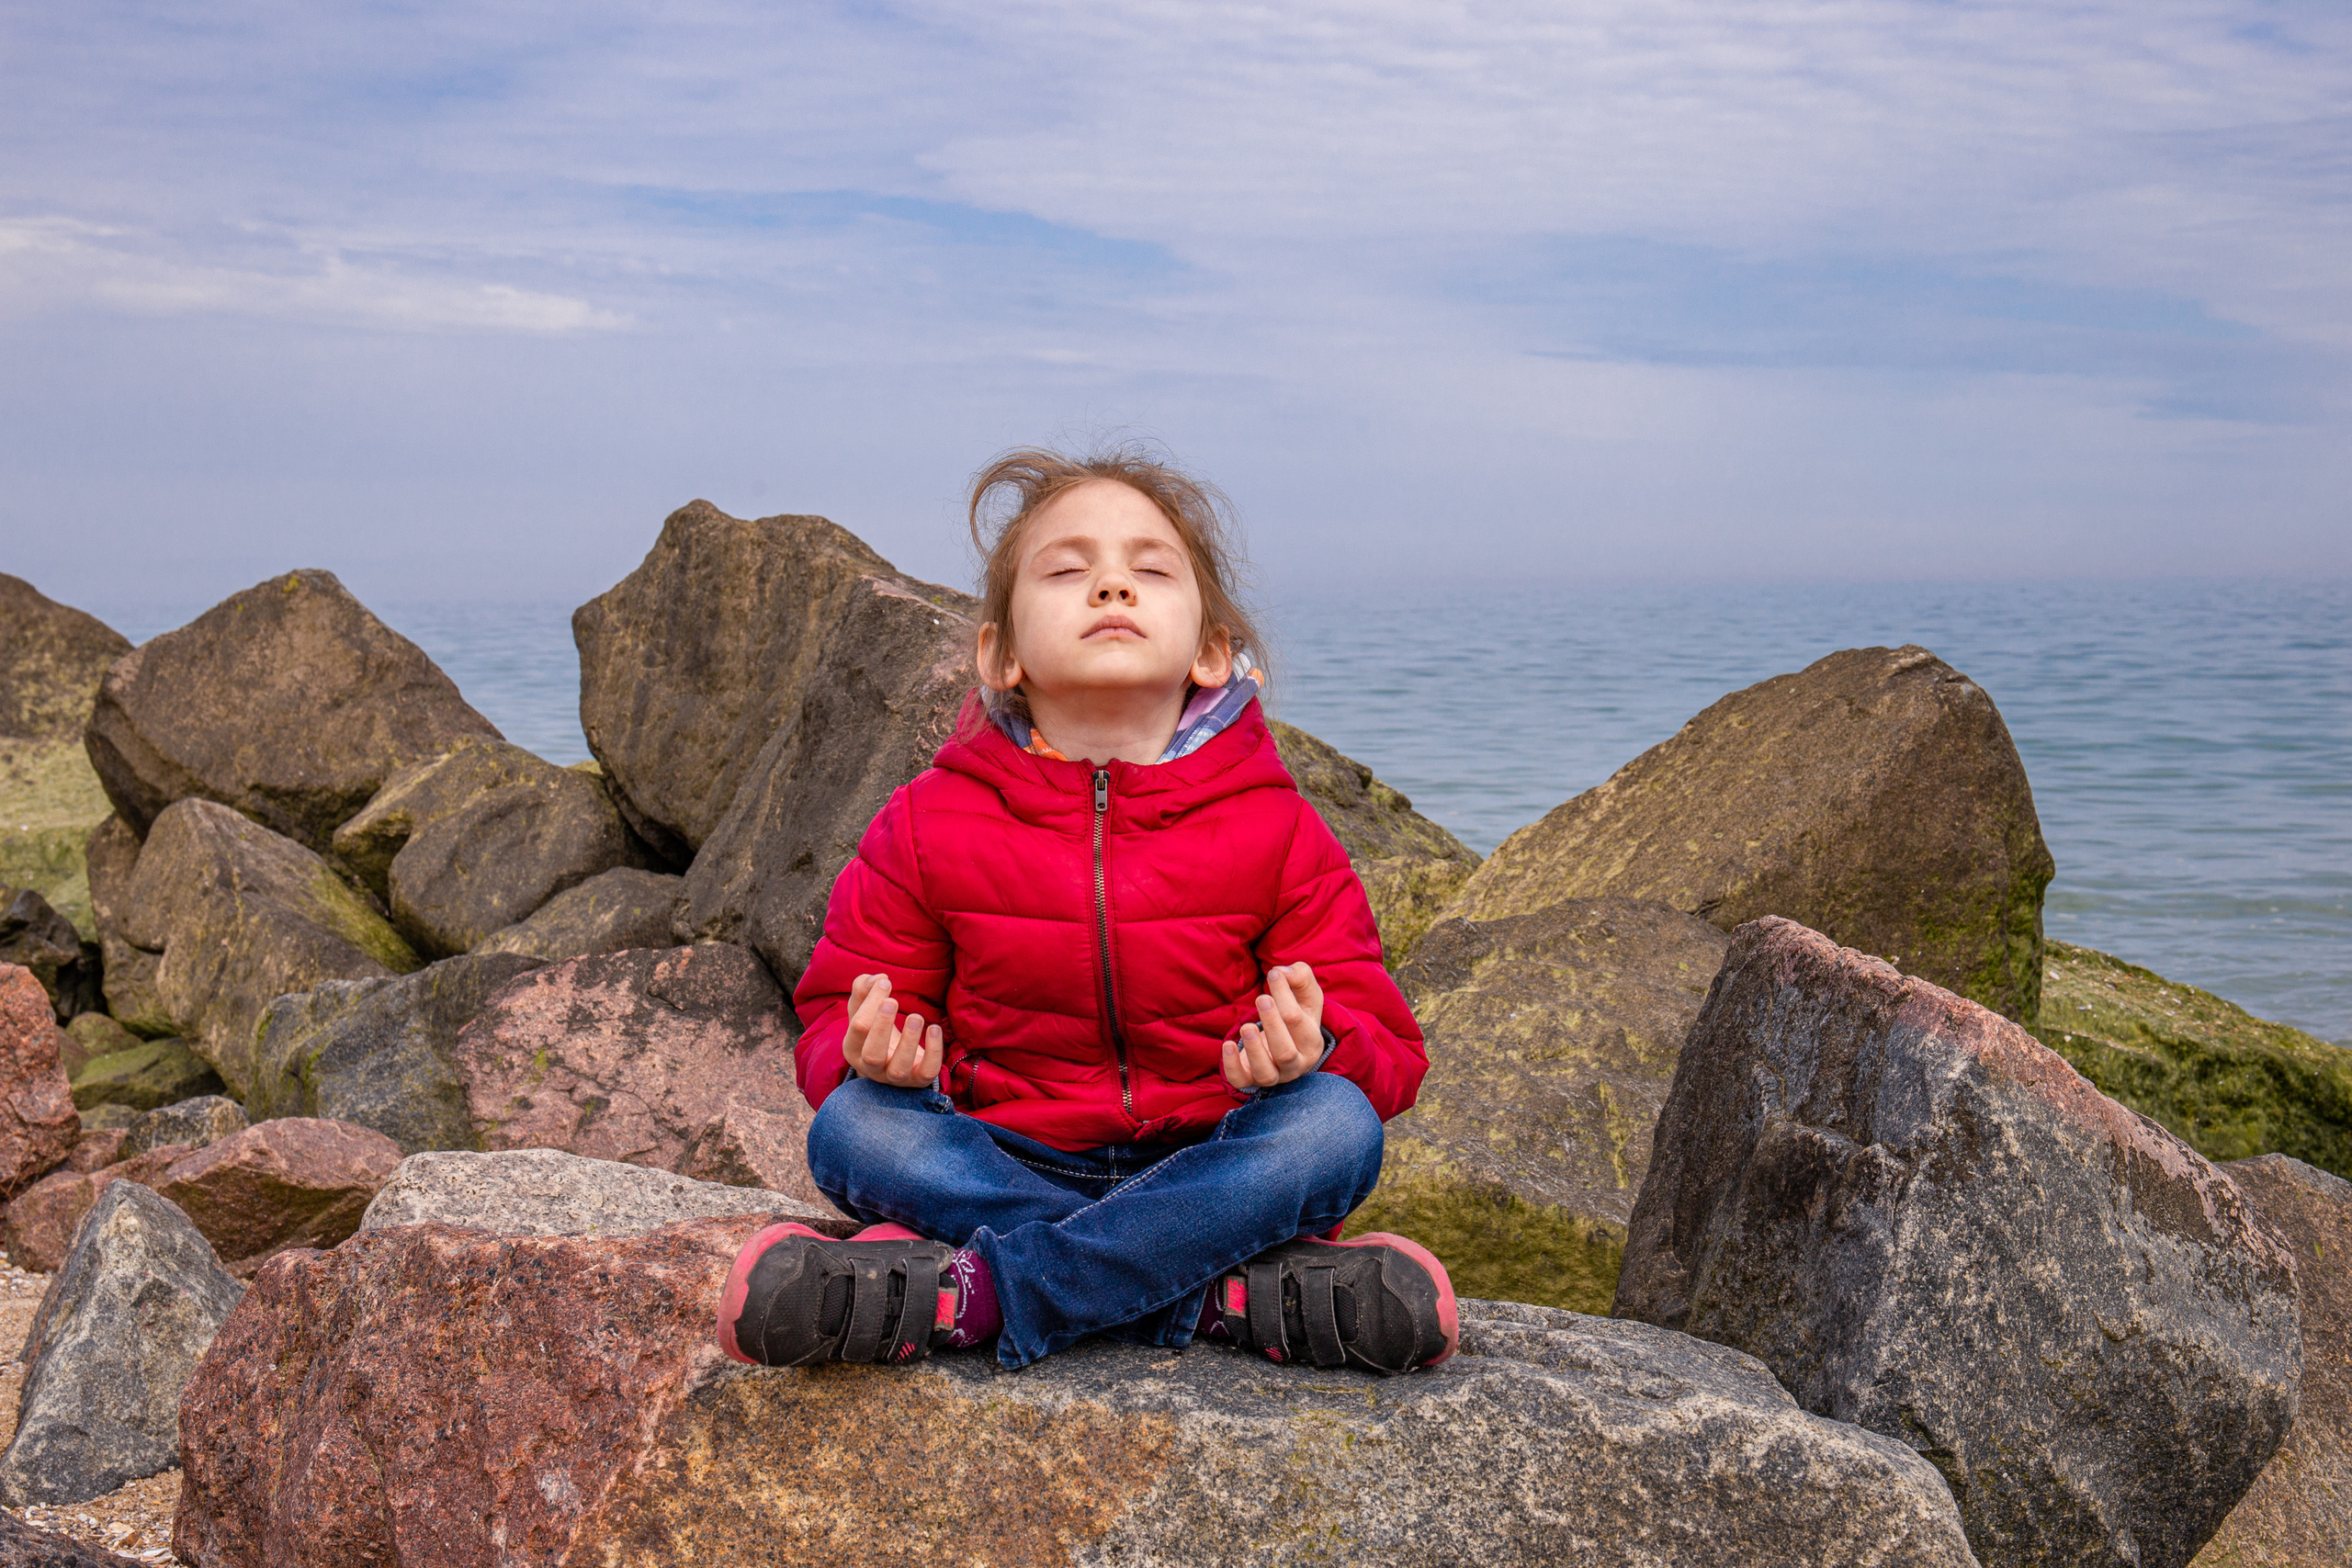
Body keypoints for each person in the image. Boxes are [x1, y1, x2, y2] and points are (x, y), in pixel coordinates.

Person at [714, 446, 1456, 1376]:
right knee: (857, 1128)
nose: (1111, 586)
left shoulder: (1279, 829)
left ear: (1213, 650)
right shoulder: (923, 824)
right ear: (1002, 654)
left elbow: (1386, 1048)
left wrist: (1315, 1050)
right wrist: (871, 1053)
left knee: (1332, 1127)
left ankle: (983, 1294)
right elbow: (833, 1019)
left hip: (1211, 1160)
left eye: (1149, 570)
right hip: (1000, 1159)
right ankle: (1215, 1293)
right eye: (1068, 571)